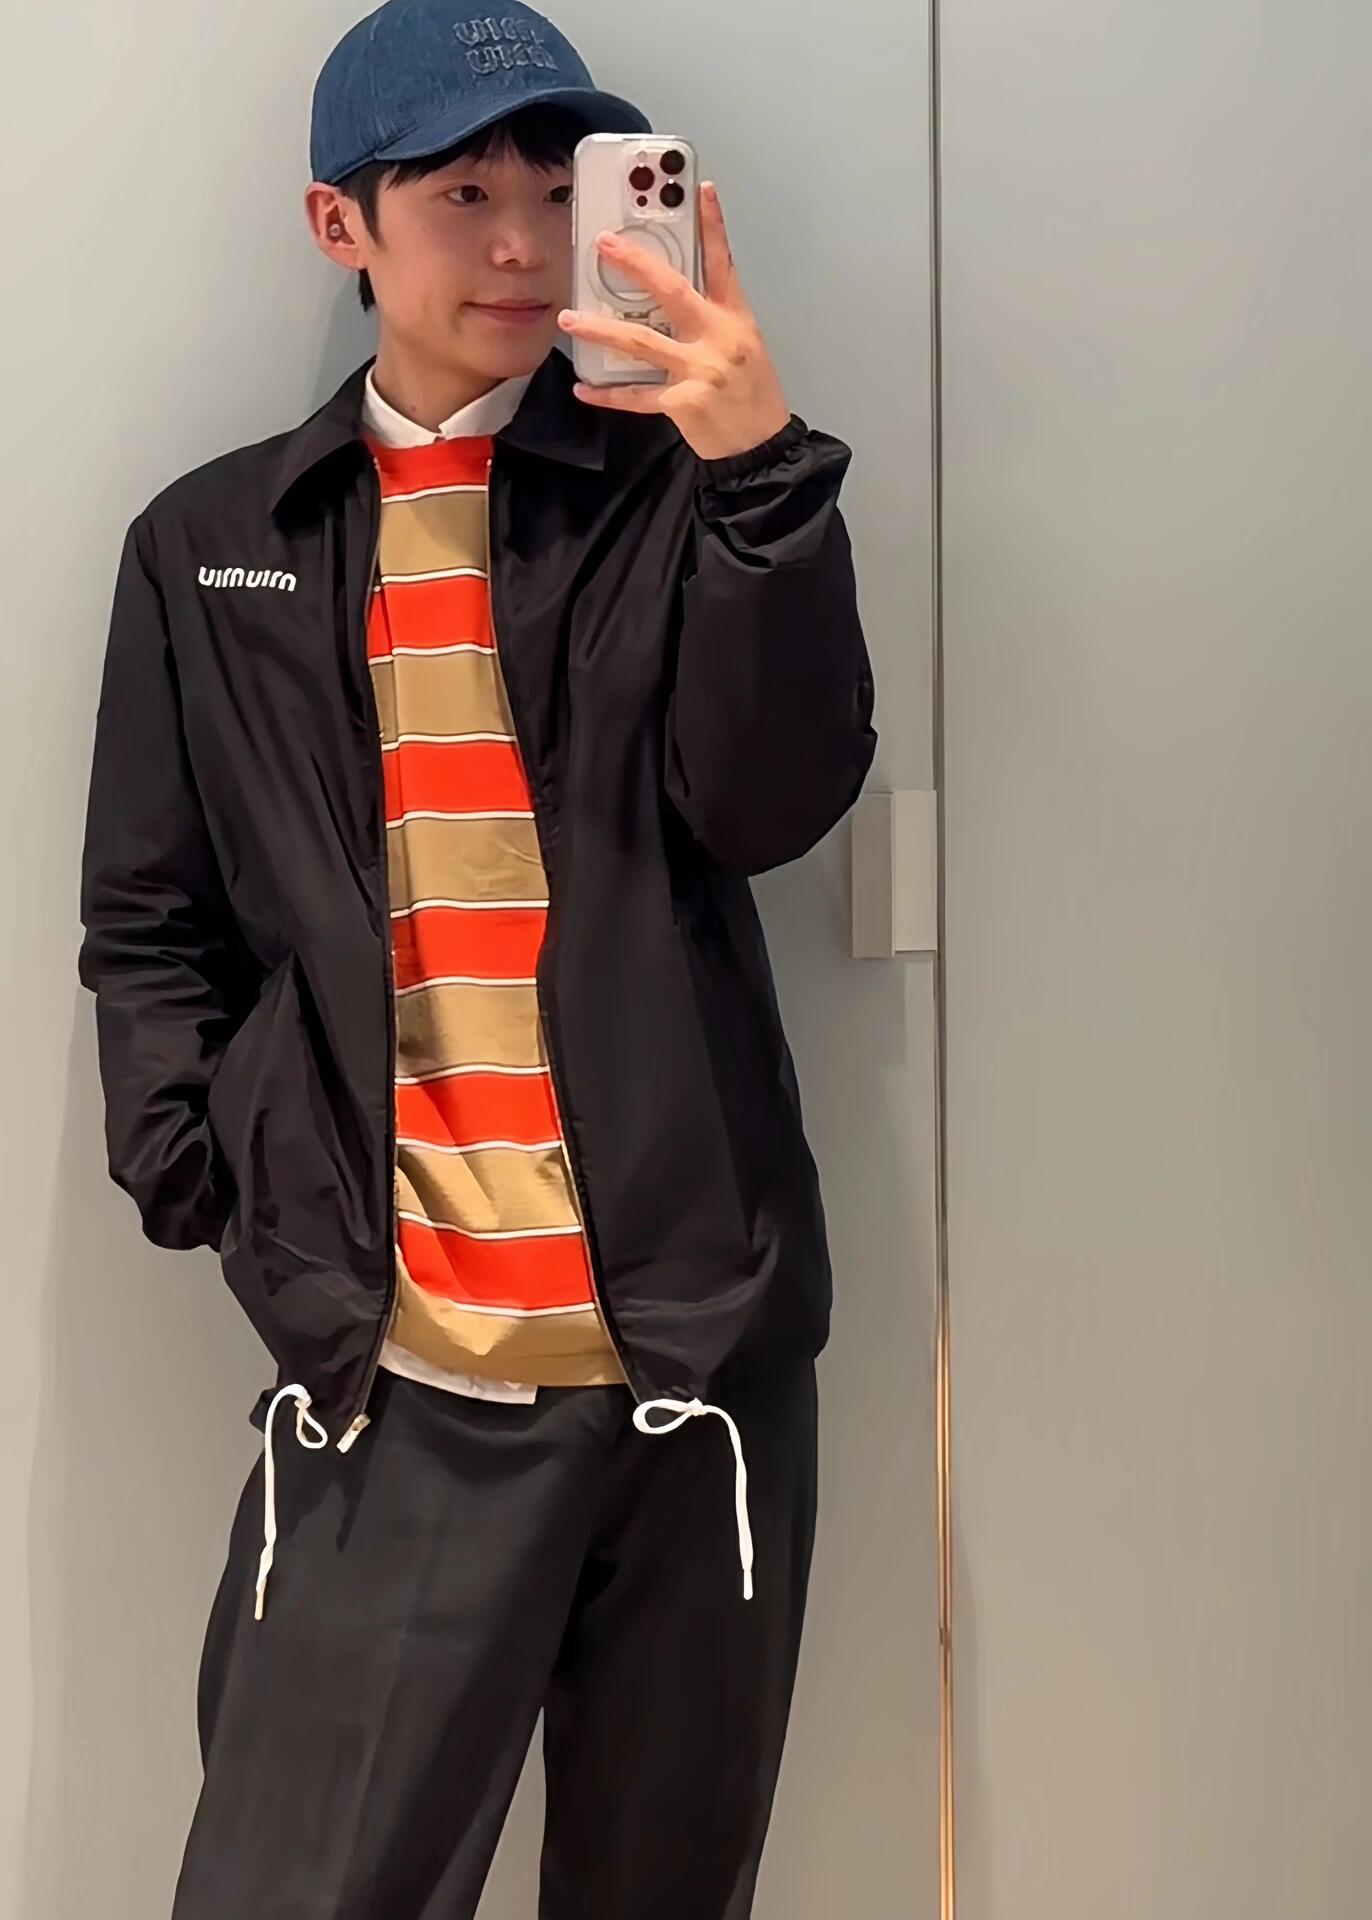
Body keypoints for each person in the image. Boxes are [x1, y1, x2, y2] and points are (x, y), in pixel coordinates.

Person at [76, 2, 876, 1914]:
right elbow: (151, 920)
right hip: (401, 1372)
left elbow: (772, 801)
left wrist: (760, 472)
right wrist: (212, 1180)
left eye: (553, 192)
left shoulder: (672, 494)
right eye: (461, 195)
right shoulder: (217, 545)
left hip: (690, 1372)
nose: (521, 245)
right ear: (340, 225)